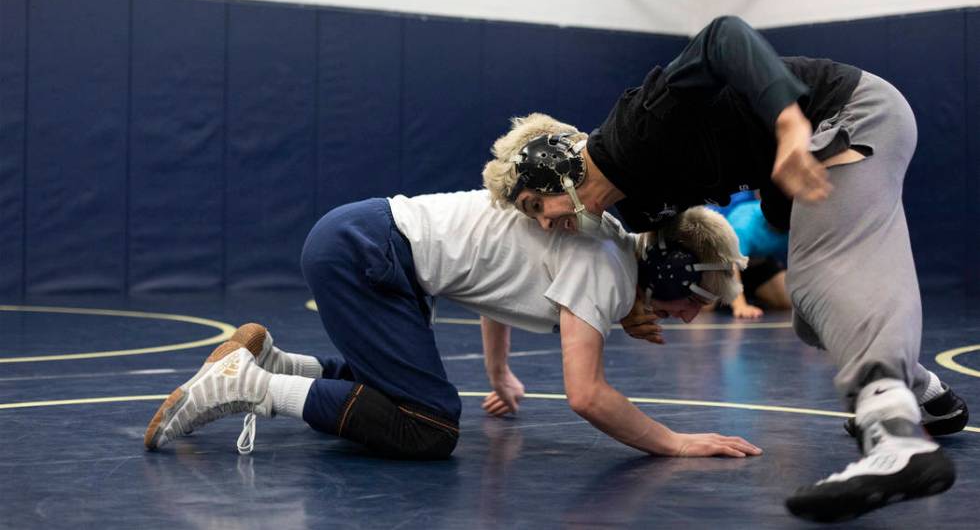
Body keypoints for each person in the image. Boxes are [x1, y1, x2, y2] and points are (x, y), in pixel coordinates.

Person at [482, 16, 968, 522]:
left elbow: (722, 37)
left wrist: (786, 120)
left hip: (846, 113)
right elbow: (679, 243)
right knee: (809, 313)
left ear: (558, 170)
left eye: (537, 206)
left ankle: (896, 438)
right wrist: (634, 307)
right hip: (817, 146)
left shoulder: (633, 131)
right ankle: (925, 393)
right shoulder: (637, 208)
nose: (545, 224)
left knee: (826, 273)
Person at [144, 190, 762, 462]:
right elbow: (587, 395)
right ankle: (246, 385)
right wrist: (677, 442)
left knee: (385, 393)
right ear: (677, 273)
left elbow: (497, 289)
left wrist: (500, 370)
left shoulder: (603, 248)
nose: (688, 317)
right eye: (697, 302)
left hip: (366, 239)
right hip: (369, 253)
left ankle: (272, 363)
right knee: (428, 426)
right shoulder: (604, 266)